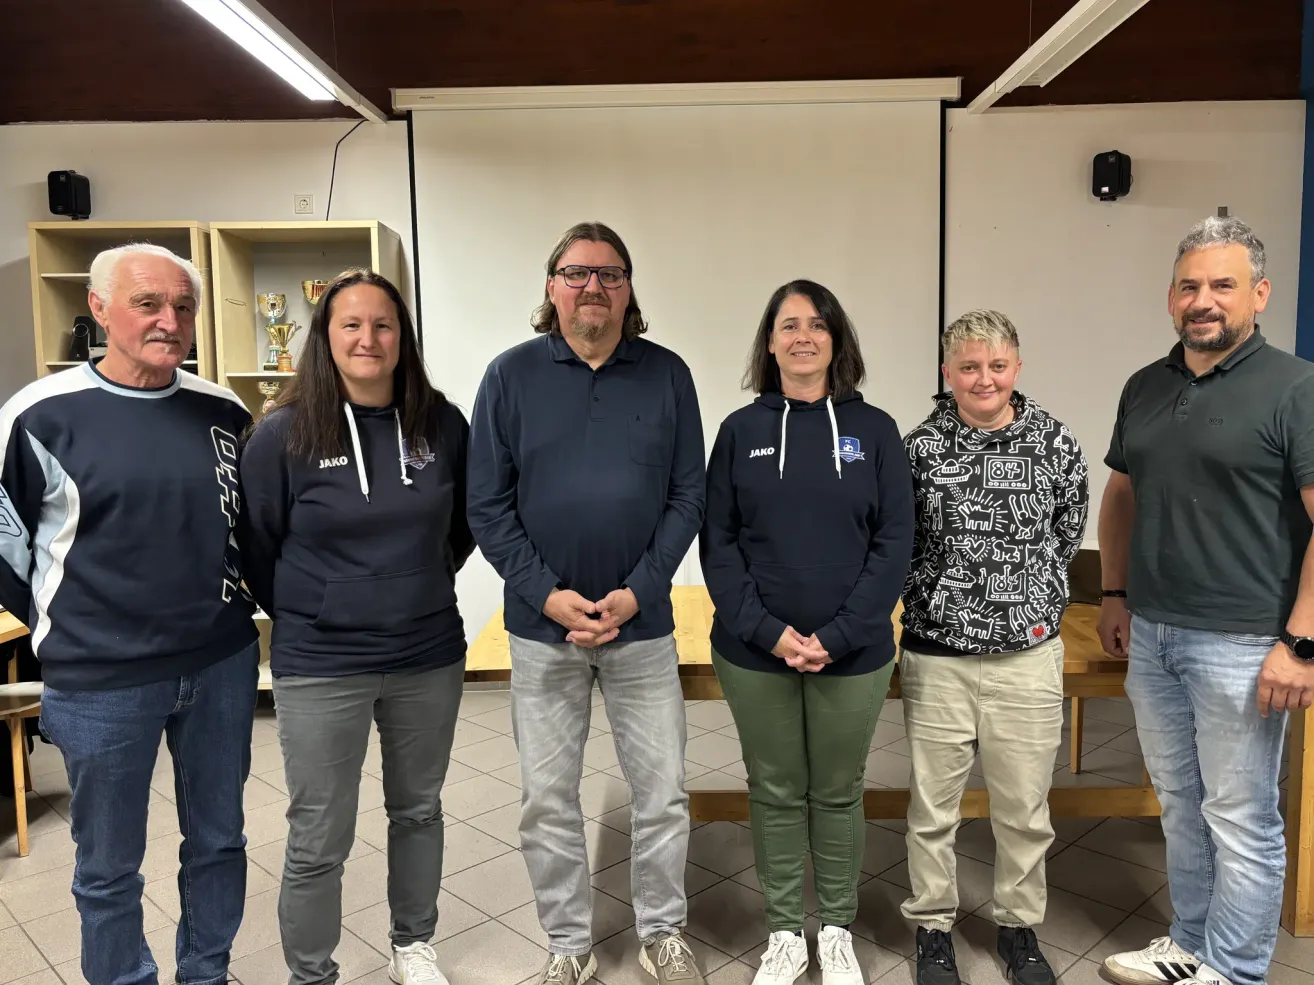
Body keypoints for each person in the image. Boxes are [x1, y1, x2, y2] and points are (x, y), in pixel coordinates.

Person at [0, 243, 259, 985]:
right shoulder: (37, 416)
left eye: (183, 307)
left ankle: (205, 973)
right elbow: (7, 547)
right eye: (148, 303)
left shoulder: (224, 411)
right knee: (109, 865)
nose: (169, 320)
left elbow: (248, 525)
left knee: (219, 841)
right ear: (100, 308)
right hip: (99, 682)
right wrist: (77, 620)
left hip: (220, 664)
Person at [467, 221, 707, 985]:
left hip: (644, 628)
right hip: (543, 631)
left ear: (629, 288)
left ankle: (662, 930)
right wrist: (548, 594)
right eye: (576, 274)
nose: (592, 287)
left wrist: (640, 591)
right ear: (551, 287)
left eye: (608, 274)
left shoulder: (668, 375)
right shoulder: (509, 377)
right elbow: (486, 504)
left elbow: (687, 494)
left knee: (662, 793)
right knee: (547, 798)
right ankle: (568, 941)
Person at [239, 269, 473, 985]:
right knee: (319, 834)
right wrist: (322, 607)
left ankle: (413, 945)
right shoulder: (281, 433)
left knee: (419, 810)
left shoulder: (442, 423)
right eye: (351, 325)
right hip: (321, 662)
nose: (368, 338)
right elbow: (257, 546)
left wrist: (414, 588)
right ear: (326, 337)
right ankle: (312, 972)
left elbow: (462, 530)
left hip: (427, 653)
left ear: (402, 338)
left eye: (383, 325)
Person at [1098, 216, 1314, 985]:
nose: (1204, 299)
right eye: (1190, 285)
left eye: (1223, 284)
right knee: (1181, 805)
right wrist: (1115, 592)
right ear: (1170, 297)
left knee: (1242, 816)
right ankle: (1189, 945)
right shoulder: (1145, 386)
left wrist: (1300, 641)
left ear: (1258, 294)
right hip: (1153, 633)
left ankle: (1238, 968)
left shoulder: (1296, 386)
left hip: (1245, 640)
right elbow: (1121, 494)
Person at [700, 280, 915, 985]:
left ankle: (839, 929)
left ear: (836, 339)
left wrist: (841, 630)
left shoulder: (875, 429)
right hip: (754, 651)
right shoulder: (740, 432)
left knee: (838, 788)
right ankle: (786, 931)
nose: (802, 335)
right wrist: (768, 631)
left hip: (853, 652)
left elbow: (895, 541)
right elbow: (719, 545)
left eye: (817, 324)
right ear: (769, 341)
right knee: (776, 786)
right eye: (788, 324)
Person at [899, 310, 1088, 985]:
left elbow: (1067, 529)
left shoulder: (1055, 443)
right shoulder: (917, 449)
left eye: (997, 364)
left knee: (1023, 810)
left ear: (1017, 366)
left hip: (1026, 658)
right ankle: (931, 928)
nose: (984, 377)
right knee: (932, 810)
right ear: (947, 374)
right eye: (969, 366)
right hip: (937, 658)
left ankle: (1017, 926)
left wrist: (1023, 601)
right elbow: (903, 540)